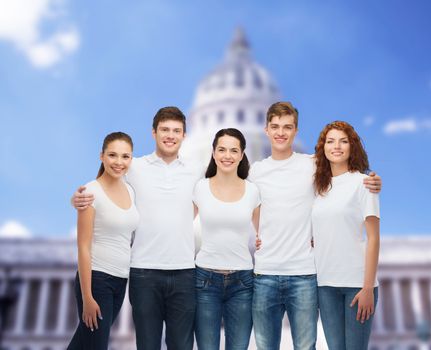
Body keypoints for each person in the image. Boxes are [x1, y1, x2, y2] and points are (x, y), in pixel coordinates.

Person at [249, 102, 382, 350]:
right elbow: (237, 196)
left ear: (296, 131)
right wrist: (260, 232)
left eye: (287, 127)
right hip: (270, 274)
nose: (280, 132)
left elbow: (345, 175)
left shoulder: (313, 166)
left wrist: (373, 180)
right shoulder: (255, 171)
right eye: (275, 126)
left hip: (305, 274)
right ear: (266, 129)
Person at [72, 107, 203, 350]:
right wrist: (78, 199)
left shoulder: (197, 168)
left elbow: (222, 191)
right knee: (146, 344)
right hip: (143, 272)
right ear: (153, 133)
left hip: (184, 270)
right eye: (164, 129)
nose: (170, 135)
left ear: (185, 135)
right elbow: (105, 183)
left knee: (182, 345)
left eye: (176, 131)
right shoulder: (135, 166)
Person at [68, 132, 139, 350]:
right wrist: (87, 297)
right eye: (113, 155)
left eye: (125, 156)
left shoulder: (130, 190)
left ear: (131, 159)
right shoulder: (90, 192)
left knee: (83, 344)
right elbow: (83, 246)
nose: (119, 162)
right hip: (97, 281)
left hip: (120, 280)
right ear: (102, 156)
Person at [312, 121, 380, 350]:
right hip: (325, 284)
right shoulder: (318, 188)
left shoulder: (364, 183)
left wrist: (368, 287)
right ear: (323, 148)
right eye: (330, 141)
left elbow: (373, 238)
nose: (336, 146)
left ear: (353, 146)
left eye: (343, 141)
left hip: (356, 284)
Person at [193, 128, 260, 350]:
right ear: (213, 153)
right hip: (204, 280)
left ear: (242, 155)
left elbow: (267, 233)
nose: (227, 156)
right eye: (221, 150)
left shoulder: (252, 191)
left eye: (234, 150)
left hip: (242, 282)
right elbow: (180, 227)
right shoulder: (200, 188)